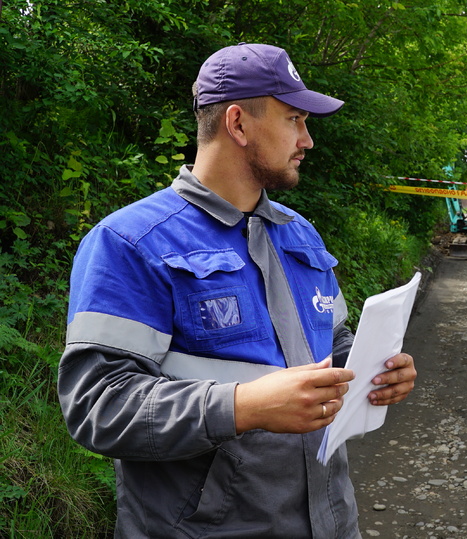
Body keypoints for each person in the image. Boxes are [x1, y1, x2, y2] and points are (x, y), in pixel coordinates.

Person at [57, 43, 417, 538]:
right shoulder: (130, 243)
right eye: (294, 119)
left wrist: (375, 370)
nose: (307, 139)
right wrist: (243, 407)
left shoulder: (300, 234)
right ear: (238, 124)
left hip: (332, 523)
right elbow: (99, 406)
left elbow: (334, 344)